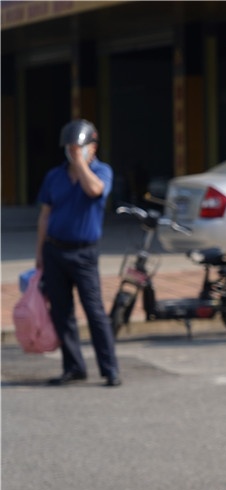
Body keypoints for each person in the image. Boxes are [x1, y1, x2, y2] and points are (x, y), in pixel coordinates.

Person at [35, 119, 121, 387]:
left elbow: (95, 190)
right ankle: (73, 367)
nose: (72, 152)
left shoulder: (102, 172)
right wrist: (39, 252)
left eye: (78, 147)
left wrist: (81, 164)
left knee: (95, 312)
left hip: (84, 254)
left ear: (92, 147)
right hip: (54, 250)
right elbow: (45, 215)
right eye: (69, 148)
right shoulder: (54, 176)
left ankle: (110, 369)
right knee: (61, 312)